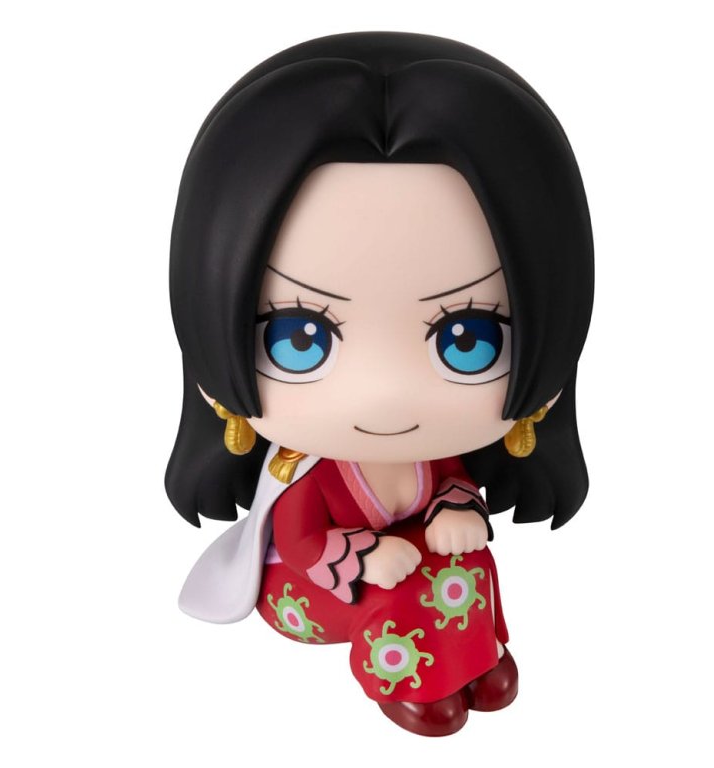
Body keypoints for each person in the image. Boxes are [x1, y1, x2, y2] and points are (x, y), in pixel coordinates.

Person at [165, 32, 594, 737]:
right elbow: (303, 542)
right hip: (311, 591)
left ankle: (476, 658)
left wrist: (457, 507)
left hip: (402, 567)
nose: (386, 391)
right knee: (408, 586)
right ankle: (409, 681)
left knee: (467, 560)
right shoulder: (301, 472)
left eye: (468, 338)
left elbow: (453, 484)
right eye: (300, 337)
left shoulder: (434, 455)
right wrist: (363, 555)